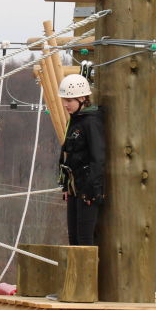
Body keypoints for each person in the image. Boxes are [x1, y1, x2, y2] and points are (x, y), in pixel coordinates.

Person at [57, 74, 105, 246]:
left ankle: (88, 267)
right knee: (74, 239)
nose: (65, 104)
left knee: (84, 240)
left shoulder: (91, 122)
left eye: (69, 100)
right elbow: (68, 155)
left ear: (82, 98)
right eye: (64, 100)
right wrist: (66, 185)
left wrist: (91, 191)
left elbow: (98, 158)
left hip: (87, 188)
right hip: (74, 187)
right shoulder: (74, 121)